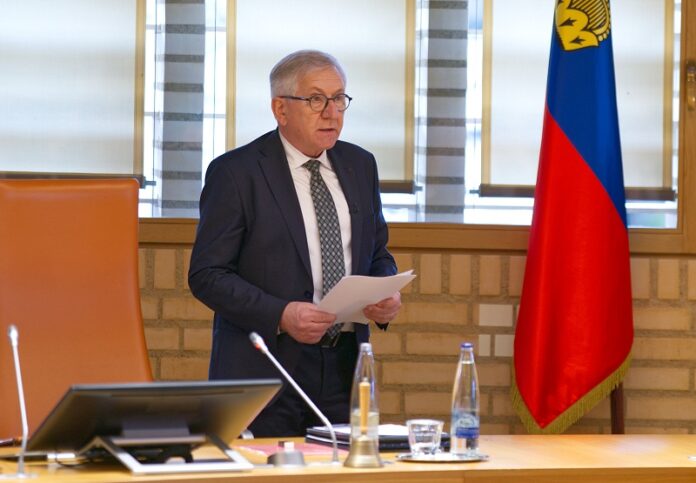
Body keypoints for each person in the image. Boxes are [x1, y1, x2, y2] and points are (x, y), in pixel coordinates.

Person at [188, 49, 401, 437]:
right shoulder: (236, 173)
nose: (332, 112)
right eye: (316, 99)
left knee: (340, 466)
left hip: (344, 366)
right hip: (266, 367)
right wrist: (281, 314)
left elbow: (377, 252)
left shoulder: (360, 165)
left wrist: (384, 292)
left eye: (339, 98)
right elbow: (207, 275)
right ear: (280, 109)